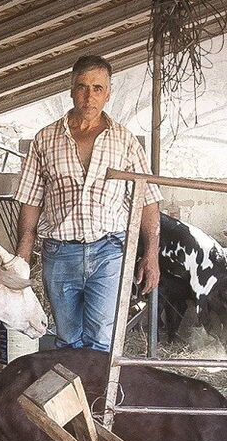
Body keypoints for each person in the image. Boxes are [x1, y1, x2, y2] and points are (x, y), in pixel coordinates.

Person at [12, 55, 162, 352]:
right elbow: (30, 202)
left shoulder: (125, 141)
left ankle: (96, 399)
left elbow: (148, 200)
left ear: (108, 93)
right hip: (59, 253)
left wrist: (151, 255)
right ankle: (73, 399)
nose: (89, 96)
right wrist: (22, 260)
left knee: (101, 341)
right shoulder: (45, 140)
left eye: (97, 88)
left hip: (108, 250)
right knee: (67, 340)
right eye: (82, 87)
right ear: (71, 89)